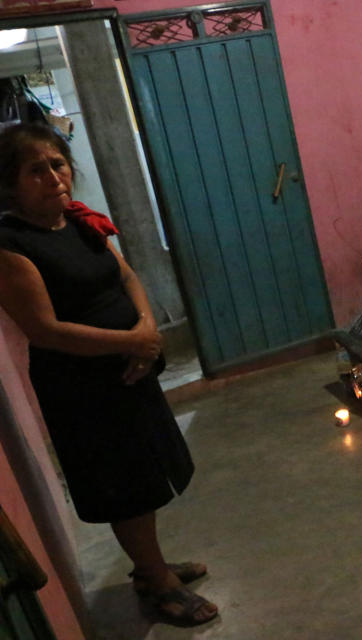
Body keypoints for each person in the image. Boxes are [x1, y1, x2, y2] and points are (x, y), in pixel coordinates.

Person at [0, 123, 217, 626]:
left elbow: (127, 275)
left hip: (128, 369)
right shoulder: (11, 244)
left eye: (58, 163)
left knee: (147, 471)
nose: (54, 176)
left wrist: (146, 329)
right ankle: (156, 583)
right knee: (123, 483)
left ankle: (151, 565)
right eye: (36, 169)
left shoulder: (77, 221)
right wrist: (132, 342)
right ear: (12, 185)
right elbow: (46, 329)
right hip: (82, 387)